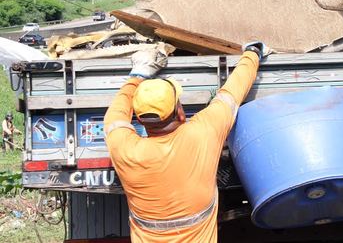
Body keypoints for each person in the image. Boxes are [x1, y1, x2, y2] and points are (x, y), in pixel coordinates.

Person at [104, 42, 269, 243]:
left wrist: (138, 75)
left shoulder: (123, 148)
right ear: (180, 113)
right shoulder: (203, 132)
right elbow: (232, 93)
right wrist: (253, 53)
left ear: (138, 119)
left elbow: (116, 114)